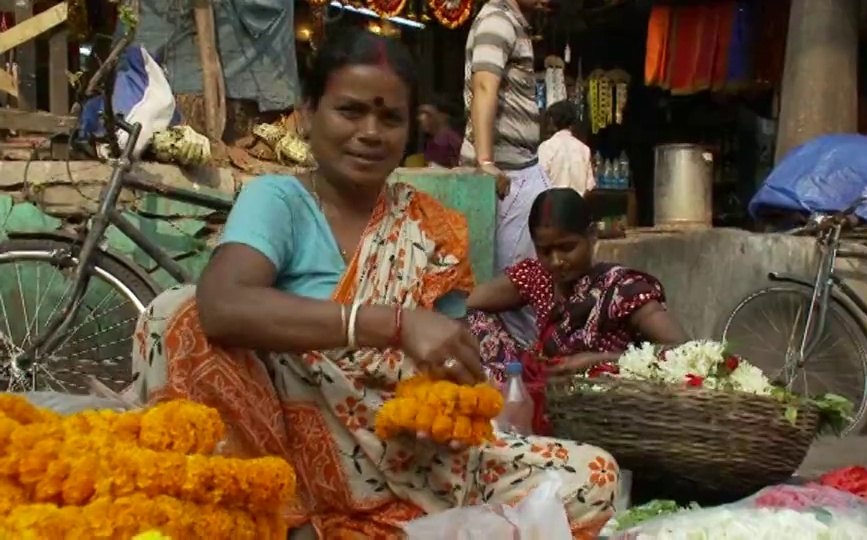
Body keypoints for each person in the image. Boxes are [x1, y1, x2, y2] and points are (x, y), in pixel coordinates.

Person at [130, 30, 618, 540]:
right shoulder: (280, 201)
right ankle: (287, 520)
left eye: (390, 118)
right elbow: (221, 304)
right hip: (286, 464)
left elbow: (451, 365)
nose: (370, 132)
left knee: (594, 477)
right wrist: (392, 324)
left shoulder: (429, 226)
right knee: (178, 315)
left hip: (409, 460)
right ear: (309, 112)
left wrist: (444, 403)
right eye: (350, 110)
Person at [467, 188, 688, 434]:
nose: (556, 261)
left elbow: (683, 351)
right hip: (550, 397)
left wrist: (600, 361)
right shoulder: (538, 278)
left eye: (567, 247)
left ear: (592, 235)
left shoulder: (622, 290)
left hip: (606, 411)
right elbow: (474, 303)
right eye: (545, 251)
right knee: (473, 323)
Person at [460, 0, 552, 348]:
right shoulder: (497, 19)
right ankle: (521, 380)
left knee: (526, 288)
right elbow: (485, 85)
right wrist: (485, 162)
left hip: (520, 169)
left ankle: (523, 376)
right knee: (515, 290)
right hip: (506, 176)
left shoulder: (512, 21)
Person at [538, 100, 595, 196]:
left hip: (552, 206)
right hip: (577, 206)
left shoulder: (546, 147)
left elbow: (539, 181)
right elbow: (589, 186)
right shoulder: (584, 149)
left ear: (552, 121)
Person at [417, 95, 463, 168]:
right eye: (420, 114)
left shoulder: (453, 141)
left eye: (428, 114)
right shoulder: (431, 142)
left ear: (443, 117)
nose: (421, 118)